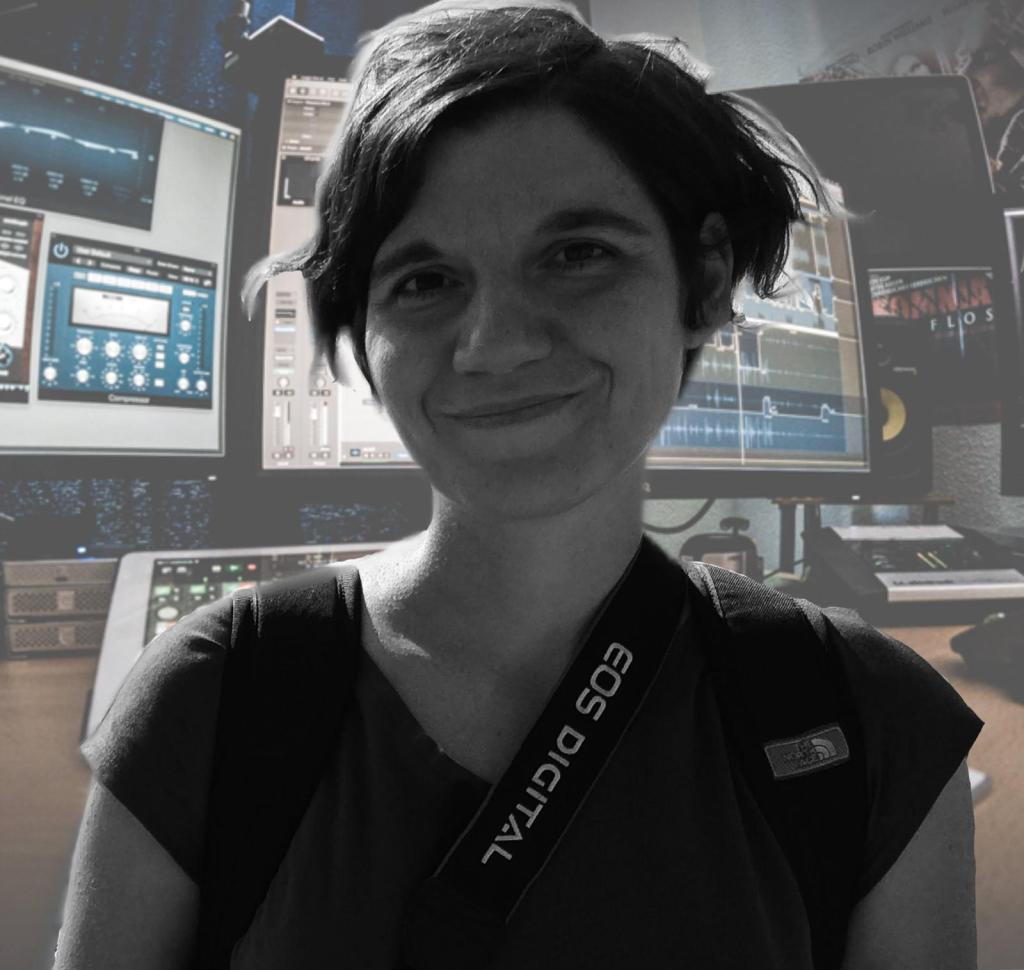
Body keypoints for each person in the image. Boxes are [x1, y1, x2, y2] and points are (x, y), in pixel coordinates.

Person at [55, 3, 983, 968]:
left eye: (577, 254)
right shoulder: (212, 702)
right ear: (363, 333)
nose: (494, 344)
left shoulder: (872, 725)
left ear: (704, 285)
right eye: (424, 280)